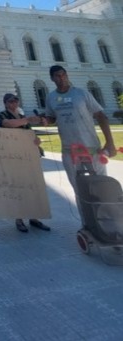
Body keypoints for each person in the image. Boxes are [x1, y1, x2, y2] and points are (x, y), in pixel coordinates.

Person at [45, 65, 117, 226]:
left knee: (101, 187)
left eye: (63, 75)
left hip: (92, 149)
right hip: (70, 151)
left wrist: (110, 142)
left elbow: (101, 116)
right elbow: (51, 117)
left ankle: (109, 223)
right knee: (79, 190)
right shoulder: (51, 98)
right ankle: (88, 223)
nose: (61, 78)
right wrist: (44, 120)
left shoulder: (81, 94)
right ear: (52, 78)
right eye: (57, 76)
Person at [0, 93, 51, 233]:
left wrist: (36, 140)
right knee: (18, 187)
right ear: (5, 103)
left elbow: (29, 133)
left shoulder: (22, 116)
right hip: (13, 156)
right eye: (11, 101)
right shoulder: (4, 115)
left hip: (28, 156)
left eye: (16, 101)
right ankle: (19, 219)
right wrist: (28, 119)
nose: (14, 103)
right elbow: (8, 124)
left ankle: (34, 218)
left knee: (33, 187)